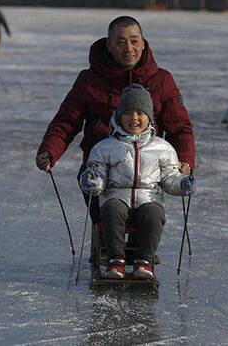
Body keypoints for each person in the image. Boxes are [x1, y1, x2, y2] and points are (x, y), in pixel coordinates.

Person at [35, 16, 195, 217]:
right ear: (109, 46)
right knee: (105, 220)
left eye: (134, 41)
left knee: (147, 222)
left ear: (143, 44)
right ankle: (104, 241)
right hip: (101, 167)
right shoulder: (89, 80)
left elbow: (180, 128)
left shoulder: (162, 81)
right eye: (120, 42)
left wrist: (185, 160)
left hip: (149, 171)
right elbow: (66, 122)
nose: (129, 48)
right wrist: (49, 151)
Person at [79, 84, 196, 279]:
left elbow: (169, 177)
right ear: (119, 117)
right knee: (111, 210)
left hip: (148, 199)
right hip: (116, 197)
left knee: (154, 213)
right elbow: (97, 174)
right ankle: (116, 260)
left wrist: (182, 183)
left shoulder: (162, 148)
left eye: (140, 113)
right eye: (128, 113)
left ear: (149, 117)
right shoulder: (105, 147)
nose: (134, 118)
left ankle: (144, 261)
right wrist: (92, 181)